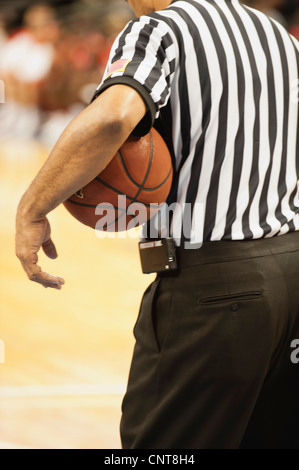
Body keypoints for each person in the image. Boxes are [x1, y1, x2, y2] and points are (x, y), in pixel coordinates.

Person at [16, 0, 299, 449]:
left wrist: (32, 207)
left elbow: (112, 117)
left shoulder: (158, 30)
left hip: (214, 287)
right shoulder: (276, 35)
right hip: (292, 270)